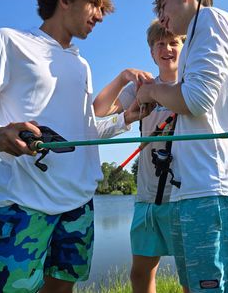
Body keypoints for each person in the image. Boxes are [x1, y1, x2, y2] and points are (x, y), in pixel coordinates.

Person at [0, 0, 142, 293]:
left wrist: (126, 119)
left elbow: (83, 134)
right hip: (25, 207)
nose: (100, 16)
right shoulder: (8, 42)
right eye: (95, 5)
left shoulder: (81, 64)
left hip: (79, 207)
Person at [136, 0, 228, 293]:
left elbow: (196, 100)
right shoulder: (200, 36)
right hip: (198, 189)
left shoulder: (210, 20)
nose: (162, 19)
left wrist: (151, 93)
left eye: (163, 7)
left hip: (213, 188)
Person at [93, 19, 185, 293]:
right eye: (160, 44)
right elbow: (99, 110)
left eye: (174, 42)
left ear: (184, 46)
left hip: (186, 195)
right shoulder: (140, 87)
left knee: (190, 275)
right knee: (141, 273)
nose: (167, 49)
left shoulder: (193, 82)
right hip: (147, 195)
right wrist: (124, 77)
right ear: (151, 52)